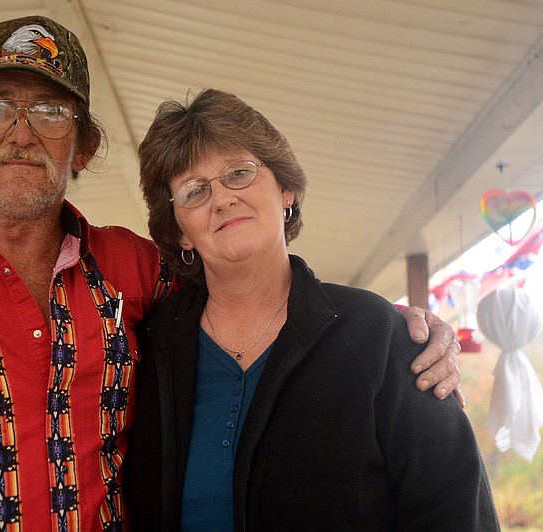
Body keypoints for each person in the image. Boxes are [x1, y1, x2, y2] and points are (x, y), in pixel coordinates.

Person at [0, 16, 461, 531]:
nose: (22, 131)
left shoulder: (135, 272)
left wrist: (405, 329)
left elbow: (257, 295)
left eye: (51, 111)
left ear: (84, 147)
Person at [124, 88, 499, 531]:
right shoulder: (146, 347)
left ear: (286, 190)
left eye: (239, 173)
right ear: (180, 232)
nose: (222, 198)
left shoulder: (379, 335)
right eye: (194, 191)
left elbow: (455, 510)